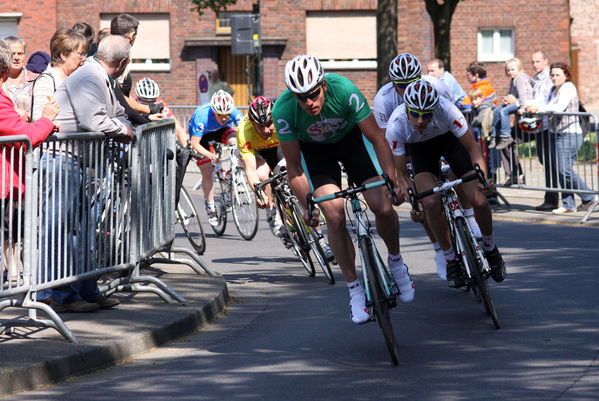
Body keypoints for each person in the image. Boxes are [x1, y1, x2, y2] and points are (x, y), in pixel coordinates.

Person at [273, 55, 414, 325]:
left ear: (323, 85)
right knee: (334, 214)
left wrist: (392, 179)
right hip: (316, 153)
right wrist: (307, 205)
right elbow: (294, 168)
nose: (308, 102)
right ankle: (354, 290)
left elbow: (376, 137)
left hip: (352, 143)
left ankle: (396, 262)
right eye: (301, 97)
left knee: (383, 206)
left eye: (313, 94)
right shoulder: (283, 110)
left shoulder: (345, 90)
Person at [386, 79, 506, 288]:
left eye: (426, 114)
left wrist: (483, 178)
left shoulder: (448, 110)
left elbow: (473, 149)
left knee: (479, 200)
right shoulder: (396, 125)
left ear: (435, 108)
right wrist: (416, 203)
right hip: (421, 151)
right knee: (431, 202)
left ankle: (490, 247)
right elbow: (403, 176)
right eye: (415, 114)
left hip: (450, 141)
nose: (421, 120)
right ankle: (450, 257)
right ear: (406, 109)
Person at [46, 34, 134, 312]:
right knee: (62, 230)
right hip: (61, 159)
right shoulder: (90, 78)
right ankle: (63, 296)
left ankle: (87, 289)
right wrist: (123, 130)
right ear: (123, 63)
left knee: (83, 231)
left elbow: (119, 112)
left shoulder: (101, 79)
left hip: (77, 161)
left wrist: (121, 124)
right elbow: (93, 119)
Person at [373, 53, 480, 280]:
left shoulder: (436, 87)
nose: (408, 87)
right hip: (406, 143)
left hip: (438, 133)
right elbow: (387, 143)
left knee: (459, 167)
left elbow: (452, 121)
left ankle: (468, 214)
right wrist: (397, 182)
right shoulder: (384, 99)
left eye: (413, 81)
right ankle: (440, 250)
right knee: (422, 200)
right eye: (402, 85)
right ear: (393, 84)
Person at [0, 39, 60, 284]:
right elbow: (23, 137)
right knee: (11, 232)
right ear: (4, 70)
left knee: (18, 231)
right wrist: (46, 120)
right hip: (7, 183)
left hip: (12, 183)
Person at [527, 63, 597, 214]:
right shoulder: (553, 89)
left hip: (569, 132)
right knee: (561, 169)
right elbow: (543, 103)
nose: (554, 78)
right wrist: (527, 105)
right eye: (552, 75)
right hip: (556, 132)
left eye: (558, 74)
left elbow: (559, 107)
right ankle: (568, 204)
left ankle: (590, 196)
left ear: (566, 75)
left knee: (564, 170)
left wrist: (538, 109)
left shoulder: (568, 88)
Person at [188, 89, 242, 226]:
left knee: (237, 142)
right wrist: (210, 155)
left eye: (226, 115)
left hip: (220, 131)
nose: (224, 118)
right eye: (220, 115)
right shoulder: (202, 116)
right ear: (213, 112)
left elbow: (243, 131)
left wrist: (242, 153)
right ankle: (211, 207)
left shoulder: (233, 112)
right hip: (202, 138)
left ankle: (233, 173)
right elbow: (195, 143)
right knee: (207, 172)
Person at [237, 96, 285, 236]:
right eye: (260, 126)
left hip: (277, 147)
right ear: (253, 125)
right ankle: (271, 211)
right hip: (257, 152)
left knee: (288, 174)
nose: (265, 130)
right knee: (262, 175)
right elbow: (250, 170)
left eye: (269, 123)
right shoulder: (244, 132)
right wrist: (259, 194)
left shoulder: (282, 119)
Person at [525, 50, 559, 211]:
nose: (535, 65)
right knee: (544, 160)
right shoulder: (536, 79)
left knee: (551, 162)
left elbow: (545, 99)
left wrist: (535, 106)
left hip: (549, 126)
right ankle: (551, 196)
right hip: (539, 126)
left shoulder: (549, 78)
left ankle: (553, 198)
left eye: (538, 61)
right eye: (533, 62)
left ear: (546, 61)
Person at [31, 29, 87, 122]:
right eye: (81, 54)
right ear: (64, 55)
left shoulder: (79, 79)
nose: (84, 59)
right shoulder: (45, 81)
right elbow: (38, 119)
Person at [490, 58, 534, 151]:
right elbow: (511, 93)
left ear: (519, 68)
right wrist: (507, 99)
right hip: (517, 101)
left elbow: (522, 94)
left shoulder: (520, 78)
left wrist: (522, 107)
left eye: (513, 69)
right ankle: (495, 135)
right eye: (508, 70)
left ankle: (506, 137)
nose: (510, 72)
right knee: (497, 110)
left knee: (504, 111)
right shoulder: (513, 79)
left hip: (524, 102)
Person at [134, 77, 189, 146]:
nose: (149, 106)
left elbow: (178, 128)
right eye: (145, 102)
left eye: (152, 102)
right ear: (138, 98)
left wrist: (187, 147)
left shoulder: (160, 104)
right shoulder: (133, 103)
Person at [2, 36, 35, 122]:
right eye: (12, 54)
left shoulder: (35, 80)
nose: (16, 57)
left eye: (20, 53)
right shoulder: (1, 81)